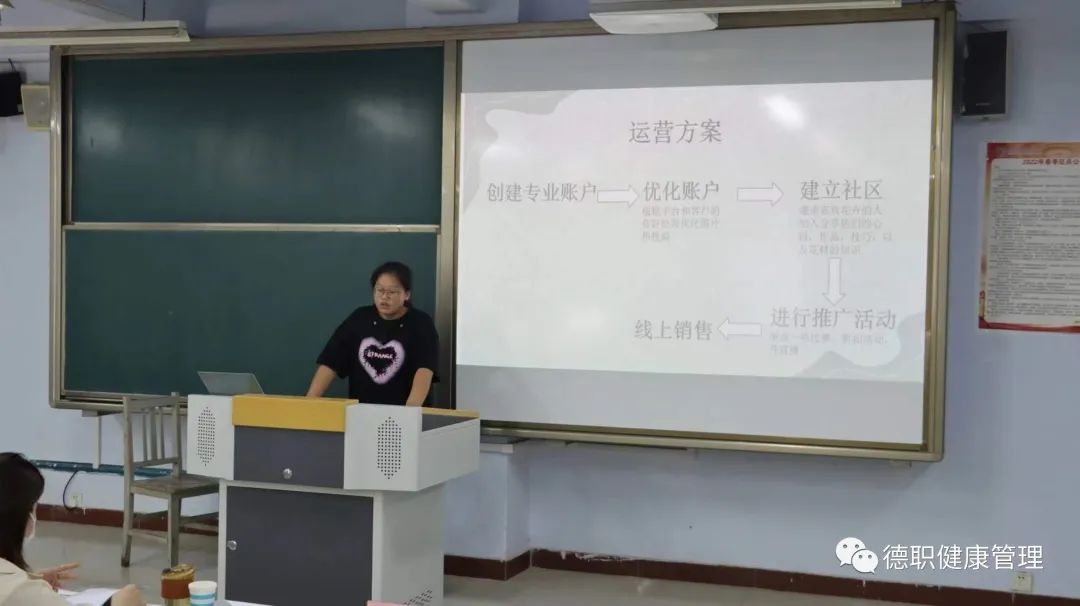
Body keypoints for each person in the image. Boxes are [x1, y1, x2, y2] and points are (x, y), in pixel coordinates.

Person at [0, 453, 146, 606]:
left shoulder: (17, 588)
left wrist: (30, 579)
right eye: (34, 507)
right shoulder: (19, 591)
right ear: (19, 517)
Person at [306, 261, 439, 406]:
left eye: (392, 292)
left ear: (407, 294)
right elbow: (331, 361)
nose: (384, 297)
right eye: (379, 290)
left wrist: (410, 411)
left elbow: (424, 369)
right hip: (361, 411)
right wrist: (310, 400)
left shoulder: (420, 323)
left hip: (403, 411)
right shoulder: (359, 318)